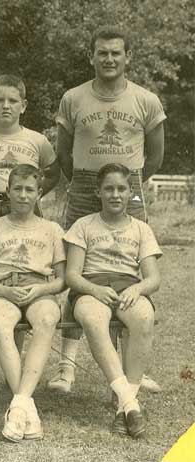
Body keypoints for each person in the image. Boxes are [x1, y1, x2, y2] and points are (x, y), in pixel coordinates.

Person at [49, 25, 166, 394]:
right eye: (102, 52)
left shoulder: (146, 99)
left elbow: (155, 155)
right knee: (79, 272)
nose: (109, 58)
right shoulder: (73, 98)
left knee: (129, 268)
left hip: (127, 186)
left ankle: (135, 366)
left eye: (116, 52)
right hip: (85, 185)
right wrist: (87, 183)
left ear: (127, 56)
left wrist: (126, 183)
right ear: (91, 57)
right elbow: (63, 152)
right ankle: (66, 367)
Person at [0, 74, 60, 392]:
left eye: (12, 100)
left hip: (22, 209)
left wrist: (34, 196)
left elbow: (53, 171)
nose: (6, 106)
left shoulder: (36, 140)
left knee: (20, 276)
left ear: (24, 105)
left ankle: (15, 369)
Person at [65, 163, 161, 438]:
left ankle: (124, 407)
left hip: (128, 286)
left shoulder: (141, 228)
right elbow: (72, 275)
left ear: (131, 192)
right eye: (109, 189)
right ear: (98, 192)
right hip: (91, 287)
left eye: (121, 189)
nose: (115, 194)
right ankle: (130, 403)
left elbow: (153, 278)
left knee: (144, 316)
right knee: (93, 318)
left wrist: (138, 289)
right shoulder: (83, 225)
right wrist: (94, 290)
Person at [0, 165, 66, 442]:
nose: (23, 195)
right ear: (7, 191)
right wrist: (3, 289)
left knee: (47, 318)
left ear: (39, 193)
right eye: (17, 189)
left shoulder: (52, 229)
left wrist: (41, 289)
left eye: (29, 190)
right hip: (4, 288)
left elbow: (62, 279)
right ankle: (26, 407)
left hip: (39, 288)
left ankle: (18, 406)